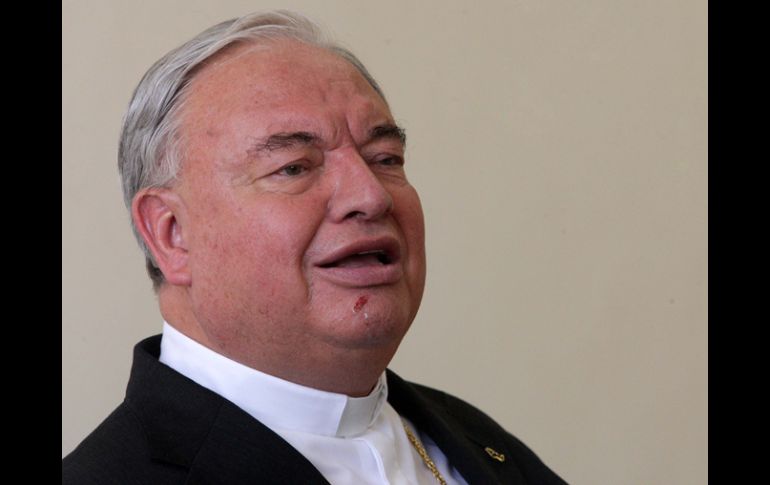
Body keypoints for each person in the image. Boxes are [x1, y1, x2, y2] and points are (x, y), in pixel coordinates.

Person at [62, 10, 567, 484]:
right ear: (172, 233)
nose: (371, 195)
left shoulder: (477, 440)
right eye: (294, 167)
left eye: (385, 158)